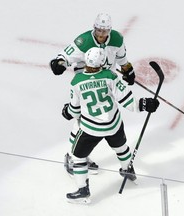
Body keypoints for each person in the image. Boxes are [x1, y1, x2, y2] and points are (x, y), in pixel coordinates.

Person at [62, 47, 159, 204]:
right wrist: (145, 104)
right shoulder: (110, 76)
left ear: (86, 60)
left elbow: (74, 110)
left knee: (78, 156)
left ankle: (83, 191)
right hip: (113, 125)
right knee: (121, 148)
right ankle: (128, 170)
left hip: (91, 129)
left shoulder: (76, 82)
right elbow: (127, 101)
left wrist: (67, 111)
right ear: (102, 62)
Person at [50, 13, 136, 175]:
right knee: (83, 119)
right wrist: (59, 63)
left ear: (110, 30)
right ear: (94, 28)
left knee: (100, 116)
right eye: (98, 30)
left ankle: (79, 156)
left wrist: (127, 70)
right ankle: (73, 156)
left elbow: (121, 58)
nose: (101, 34)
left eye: (105, 31)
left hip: (105, 82)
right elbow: (65, 56)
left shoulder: (117, 39)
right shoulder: (84, 41)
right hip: (86, 81)